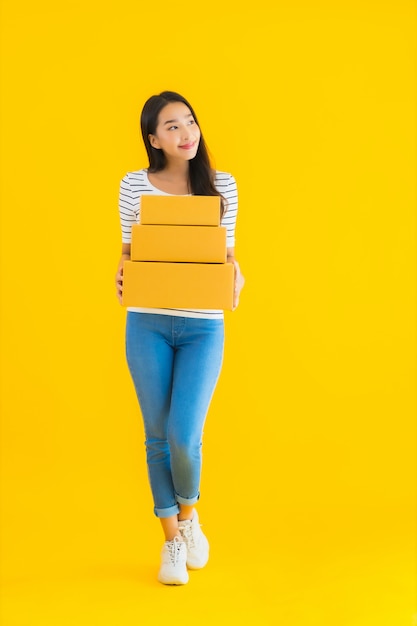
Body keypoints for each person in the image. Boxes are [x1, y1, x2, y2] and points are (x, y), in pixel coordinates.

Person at [115, 91, 244, 585]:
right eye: (171, 127)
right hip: (146, 321)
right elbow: (131, 252)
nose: (185, 132)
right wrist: (122, 271)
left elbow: (224, 257)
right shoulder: (133, 186)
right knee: (156, 436)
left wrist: (238, 274)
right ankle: (171, 541)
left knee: (183, 436)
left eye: (188, 121)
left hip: (202, 325)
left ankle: (189, 520)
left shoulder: (222, 187)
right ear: (153, 139)